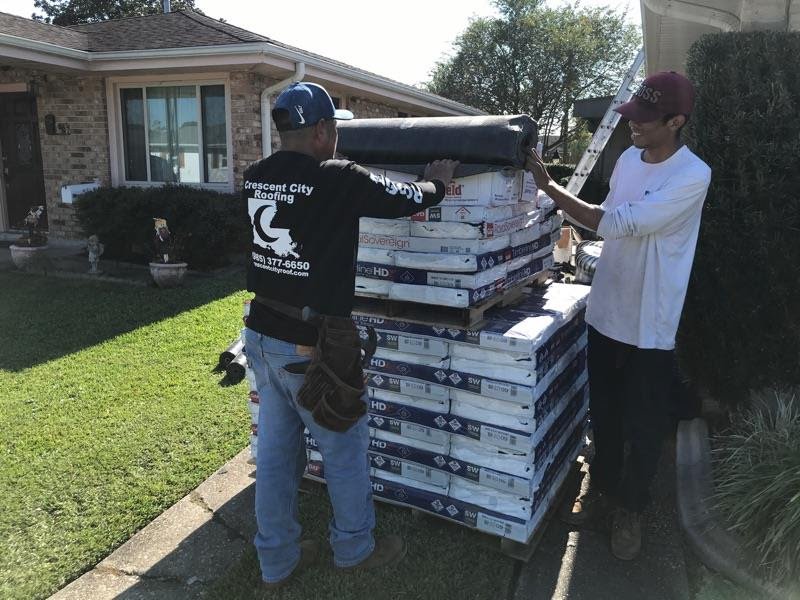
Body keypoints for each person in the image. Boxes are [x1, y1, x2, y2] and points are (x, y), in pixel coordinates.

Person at [243, 80, 458, 588]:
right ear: (322, 129)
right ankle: (355, 547)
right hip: (312, 341)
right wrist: (439, 184)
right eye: (334, 126)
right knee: (342, 445)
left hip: (261, 333)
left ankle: (277, 559)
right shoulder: (337, 177)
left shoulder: (255, 176)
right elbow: (403, 196)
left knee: (276, 454)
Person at [525, 71, 711, 561]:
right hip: (607, 308)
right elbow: (610, 208)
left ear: (676, 121)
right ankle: (602, 490)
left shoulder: (692, 175)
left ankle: (632, 507)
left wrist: (549, 187)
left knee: (645, 421)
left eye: (646, 121)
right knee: (604, 414)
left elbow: (617, 222)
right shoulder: (629, 158)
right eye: (633, 116)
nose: (635, 127)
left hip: (650, 321)